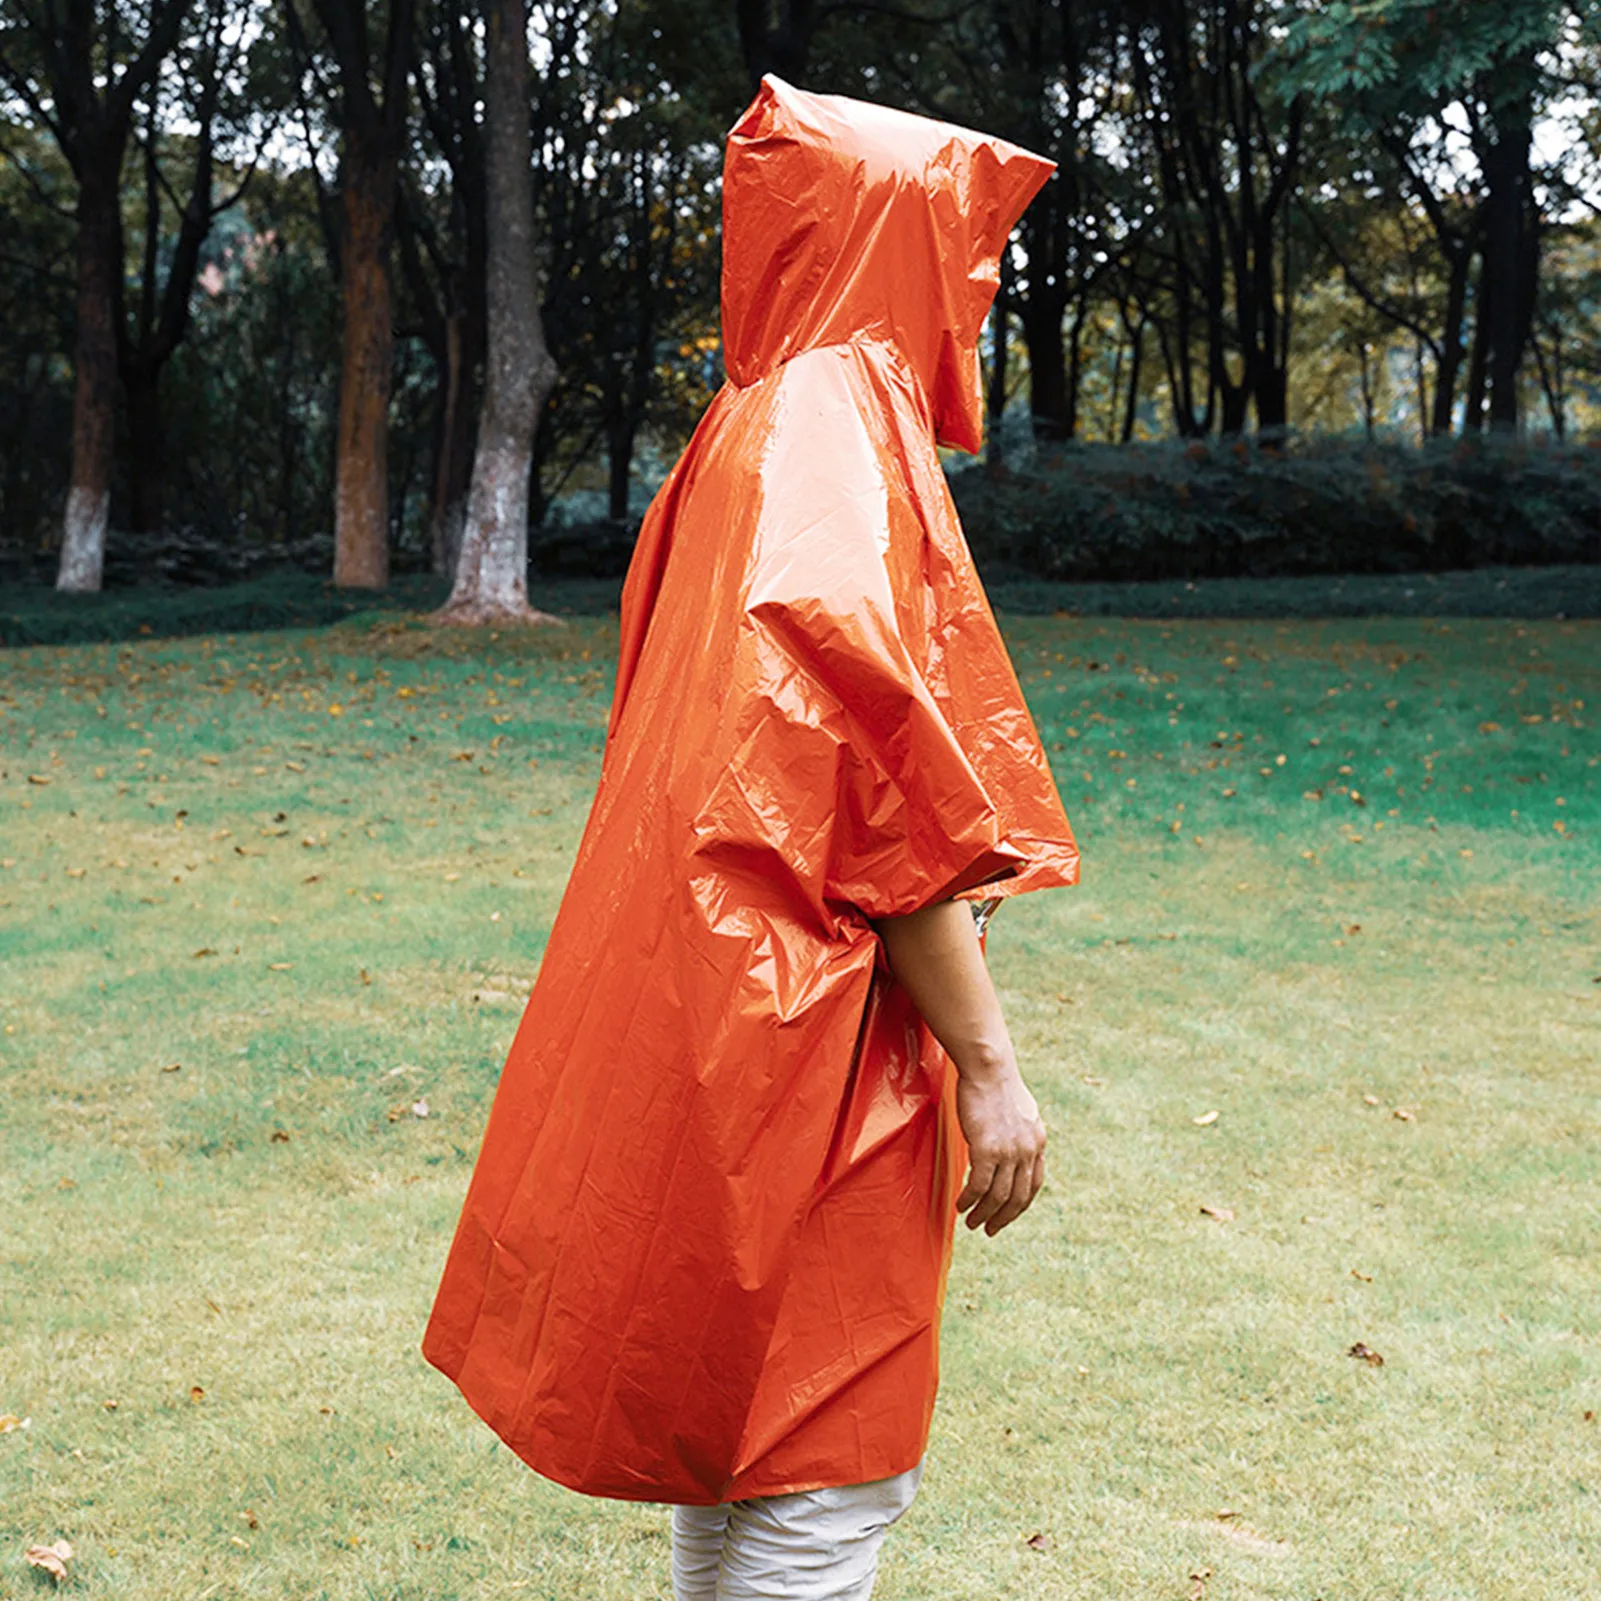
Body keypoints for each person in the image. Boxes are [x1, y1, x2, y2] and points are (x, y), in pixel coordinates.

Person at [421, 73, 1080, 1600]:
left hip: (728, 1014)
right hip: (814, 1037)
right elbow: (880, 797)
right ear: (899, 241)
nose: (978, 294)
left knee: (751, 1430)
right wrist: (991, 1069)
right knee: (828, 1457)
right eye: (969, 254)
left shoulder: (750, 433)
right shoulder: (839, 444)